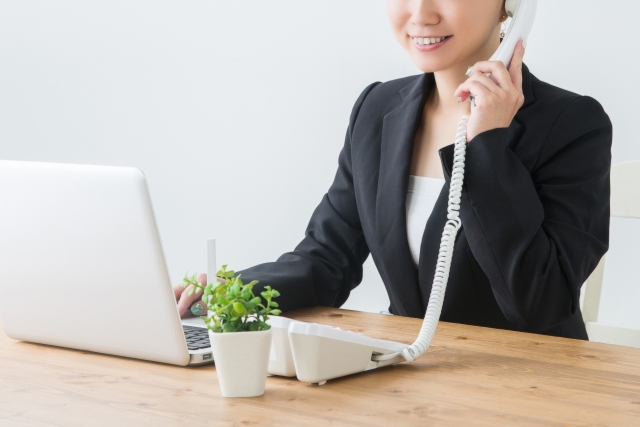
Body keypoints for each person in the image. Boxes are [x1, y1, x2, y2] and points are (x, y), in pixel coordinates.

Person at [174, 0, 612, 340]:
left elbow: (541, 303)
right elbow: (327, 260)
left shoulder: (573, 125)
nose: (421, 14)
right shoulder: (377, 109)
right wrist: (227, 291)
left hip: (531, 389)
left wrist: (487, 146)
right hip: (406, 379)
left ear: (510, 6)